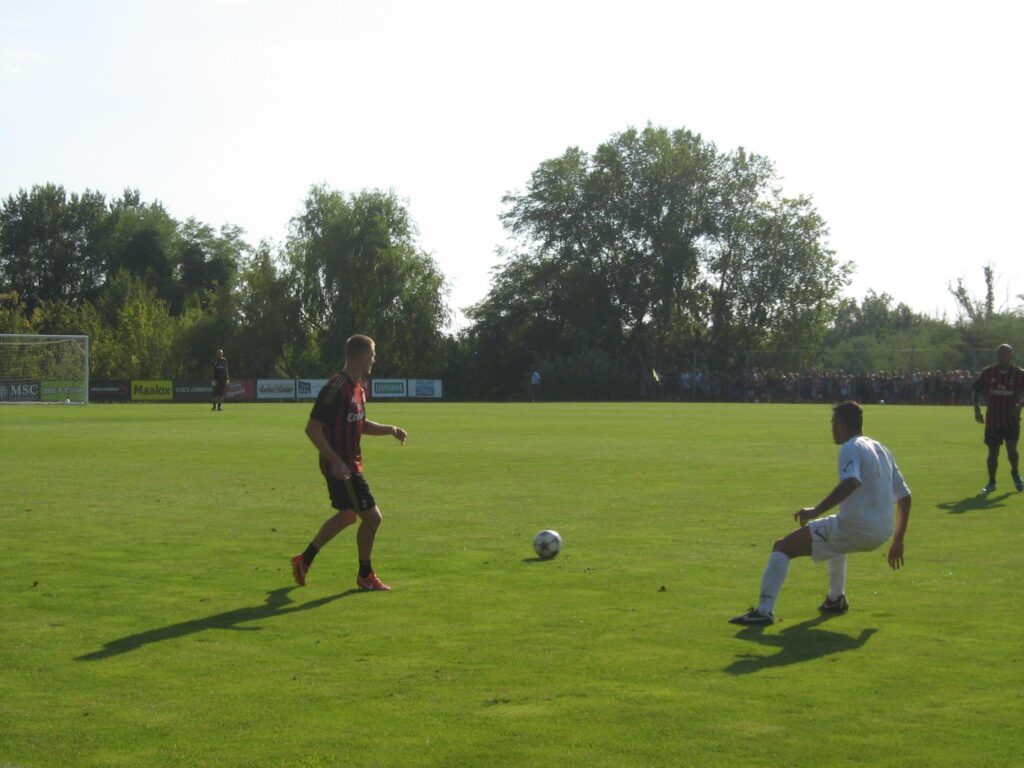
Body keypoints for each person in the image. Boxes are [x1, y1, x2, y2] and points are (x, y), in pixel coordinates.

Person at [730, 401, 911, 625]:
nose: (831, 428)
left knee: (782, 547)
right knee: (834, 537)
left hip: (856, 529)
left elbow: (851, 482)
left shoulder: (851, 447)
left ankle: (763, 611)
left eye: (833, 422)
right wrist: (898, 540)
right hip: (882, 532)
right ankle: (836, 599)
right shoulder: (882, 449)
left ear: (841, 424)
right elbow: (905, 497)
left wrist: (815, 510)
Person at [290, 335, 408, 591]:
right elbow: (312, 429)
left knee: (347, 515)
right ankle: (365, 575)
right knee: (373, 518)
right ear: (361, 357)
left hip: (349, 464)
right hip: (342, 467)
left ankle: (304, 559)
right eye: (372, 355)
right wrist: (335, 461)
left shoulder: (358, 388)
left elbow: (360, 424)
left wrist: (390, 429)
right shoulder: (335, 389)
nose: (374, 360)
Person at [973, 344, 1024, 493]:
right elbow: (976, 391)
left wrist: (1020, 405)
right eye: (999, 354)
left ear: (1010, 355)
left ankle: (1015, 473)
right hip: (993, 420)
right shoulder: (988, 372)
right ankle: (991, 482)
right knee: (993, 452)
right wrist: (977, 410)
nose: (1001, 357)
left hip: (1011, 419)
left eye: (1004, 354)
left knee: (1011, 450)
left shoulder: (1019, 373)